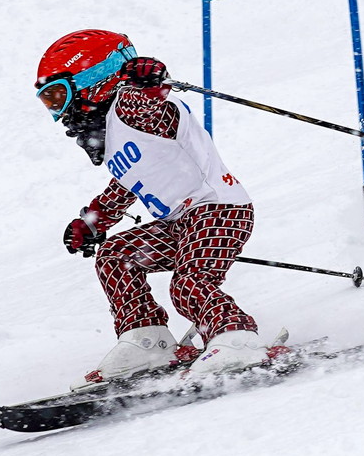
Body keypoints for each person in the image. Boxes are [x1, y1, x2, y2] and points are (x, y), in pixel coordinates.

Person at [34, 29, 269, 386]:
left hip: (218, 210)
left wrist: (146, 82)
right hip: (179, 223)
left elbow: (152, 109)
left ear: (93, 80)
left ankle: (235, 338)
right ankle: (149, 341)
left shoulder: (130, 108)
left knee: (188, 283)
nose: (59, 113)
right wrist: (93, 221)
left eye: (58, 96)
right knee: (115, 256)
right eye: (48, 101)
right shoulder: (113, 133)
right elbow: (126, 183)